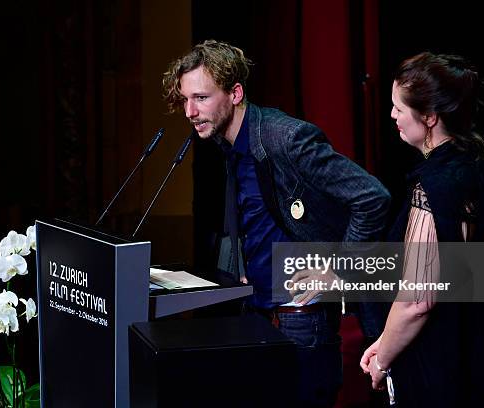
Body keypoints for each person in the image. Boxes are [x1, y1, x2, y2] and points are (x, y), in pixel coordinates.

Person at [163, 40, 390, 407]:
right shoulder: (228, 144)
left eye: (201, 98)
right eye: (185, 99)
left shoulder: (286, 138)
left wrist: (339, 271)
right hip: (260, 313)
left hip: (302, 319)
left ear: (235, 93)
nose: (190, 111)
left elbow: (372, 197)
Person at [360, 52, 484, 407]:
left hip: (435, 362)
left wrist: (382, 360)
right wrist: (386, 341)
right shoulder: (474, 163)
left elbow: (417, 301)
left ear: (430, 117)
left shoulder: (435, 184)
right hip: (472, 353)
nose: (392, 115)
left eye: (398, 108)